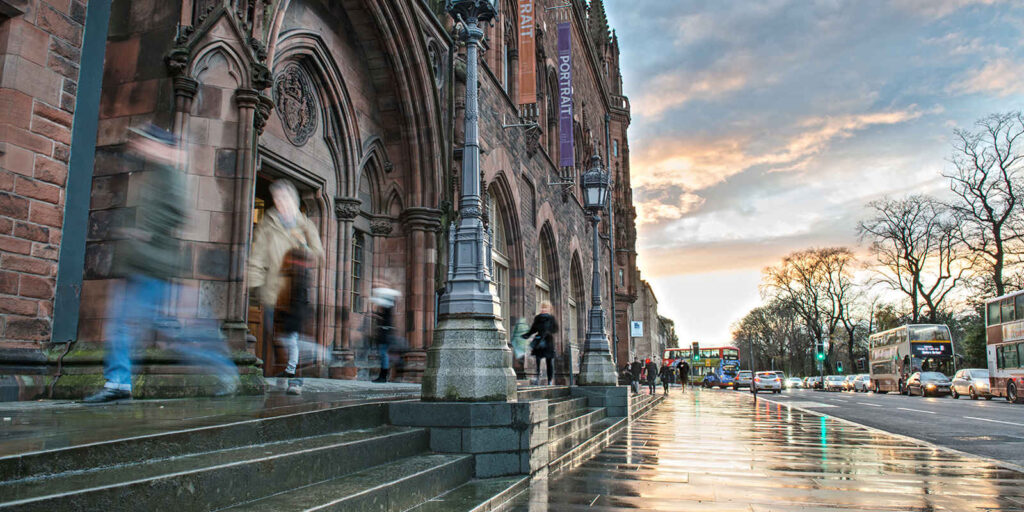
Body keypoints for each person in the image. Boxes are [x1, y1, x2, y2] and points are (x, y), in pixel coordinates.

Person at [84, 124, 238, 403]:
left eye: (145, 141)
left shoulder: (170, 176)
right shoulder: (154, 174)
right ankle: (119, 383)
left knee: (167, 334)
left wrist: (145, 234)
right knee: (129, 325)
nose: (139, 146)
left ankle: (222, 366)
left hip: (153, 266)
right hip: (139, 266)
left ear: (158, 145)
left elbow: (177, 214)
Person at [248, 179, 323, 395]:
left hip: (296, 291)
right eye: (277, 198)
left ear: (293, 199)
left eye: (285, 198)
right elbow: (258, 256)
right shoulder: (268, 223)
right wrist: (254, 285)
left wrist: (303, 245)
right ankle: (287, 370)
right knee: (278, 337)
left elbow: (318, 255)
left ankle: (295, 379)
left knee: (292, 337)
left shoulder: (306, 225)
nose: (281, 202)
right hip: (273, 291)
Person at [522, 302, 558, 385]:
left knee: (549, 361)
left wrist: (549, 332)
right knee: (538, 359)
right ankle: (538, 377)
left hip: (548, 341)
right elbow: (533, 329)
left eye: (545, 308)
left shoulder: (551, 318)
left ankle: (549, 380)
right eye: (542, 307)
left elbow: (555, 329)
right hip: (539, 340)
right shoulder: (537, 318)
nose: (543, 309)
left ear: (549, 309)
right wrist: (527, 335)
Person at [370, 287, 400, 382]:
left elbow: (386, 321)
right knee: (384, 354)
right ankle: (383, 376)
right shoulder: (388, 308)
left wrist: (376, 316)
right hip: (386, 334)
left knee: (383, 354)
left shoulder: (388, 307)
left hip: (385, 335)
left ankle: (383, 376)